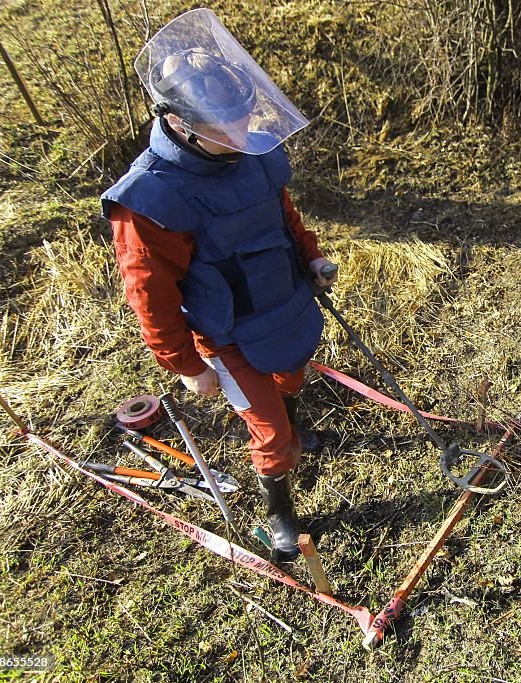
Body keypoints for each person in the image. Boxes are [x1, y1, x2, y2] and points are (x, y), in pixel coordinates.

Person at [100, 9, 335, 562]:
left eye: (242, 120)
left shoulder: (251, 149)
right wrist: (187, 366)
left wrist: (313, 258)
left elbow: (283, 218)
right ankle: (280, 509)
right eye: (222, 128)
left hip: (285, 302)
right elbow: (149, 296)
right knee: (269, 435)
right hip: (227, 331)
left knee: (294, 374)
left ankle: (293, 433)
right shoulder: (150, 202)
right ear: (181, 123)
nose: (238, 137)